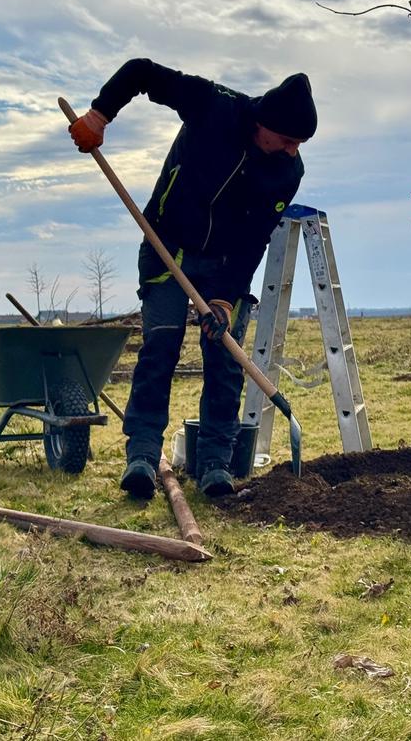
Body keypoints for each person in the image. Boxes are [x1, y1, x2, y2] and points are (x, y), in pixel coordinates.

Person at [68, 64, 316, 500]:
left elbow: (254, 239)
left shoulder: (286, 173)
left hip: (225, 268)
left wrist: (224, 298)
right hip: (168, 249)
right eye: (288, 140)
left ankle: (216, 463)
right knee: (159, 349)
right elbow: (140, 73)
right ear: (263, 125)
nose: (293, 151)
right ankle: (142, 456)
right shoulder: (214, 106)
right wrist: (98, 116)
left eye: (299, 144)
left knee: (224, 361)